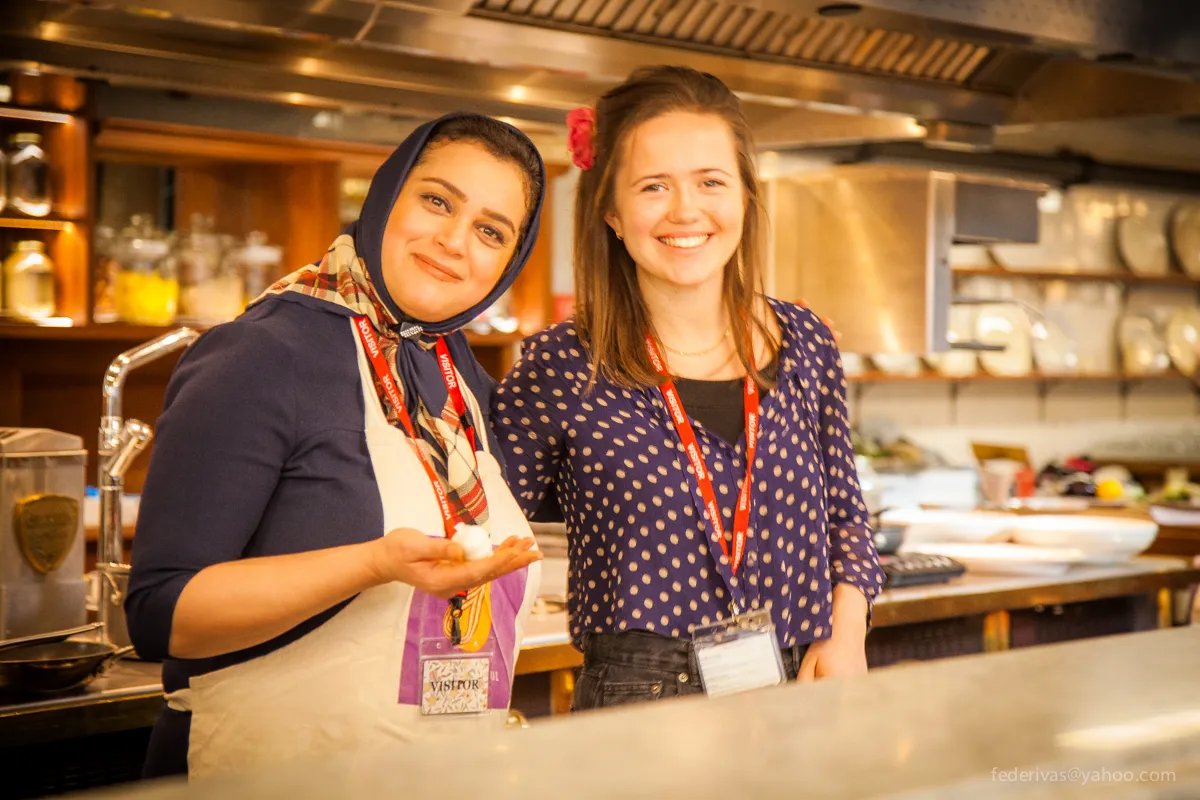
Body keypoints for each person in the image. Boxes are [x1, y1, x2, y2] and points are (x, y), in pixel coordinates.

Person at [125, 112, 545, 778]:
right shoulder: (260, 355)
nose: (454, 241)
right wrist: (373, 563)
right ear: (385, 195)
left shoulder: (454, 371)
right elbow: (161, 615)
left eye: (490, 231)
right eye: (437, 200)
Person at [491, 66, 884, 710]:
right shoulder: (564, 365)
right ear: (612, 212)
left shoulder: (806, 340)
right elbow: (480, 525)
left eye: (710, 182)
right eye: (654, 186)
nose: (686, 211)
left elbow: (845, 514)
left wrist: (848, 633)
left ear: (744, 199)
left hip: (803, 678)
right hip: (640, 696)